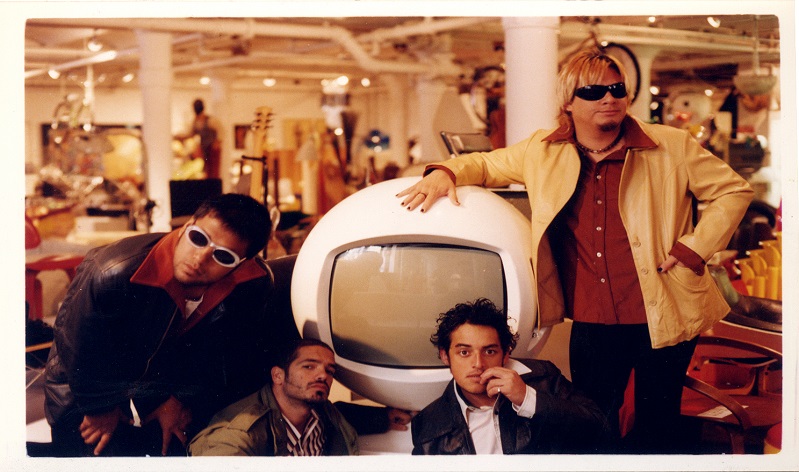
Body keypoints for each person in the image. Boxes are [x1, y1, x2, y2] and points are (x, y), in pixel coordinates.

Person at [398, 48, 754, 453]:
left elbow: (733, 190)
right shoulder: (542, 151)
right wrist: (444, 171)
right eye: (594, 91)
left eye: (617, 89)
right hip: (592, 317)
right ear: (568, 102)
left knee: (658, 423)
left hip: (666, 309)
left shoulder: (671, 145)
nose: (609, 98)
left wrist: (695, 247)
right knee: (592, 422)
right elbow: (484, 164)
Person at [43, 193, 301, 457]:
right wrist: (100, 407)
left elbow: (215, 352)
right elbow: (76, 345)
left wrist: (174, 400)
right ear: (188, 225)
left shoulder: (252, 284)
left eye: (223, 256)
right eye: (198, 238)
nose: (199, 259)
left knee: (182, 446)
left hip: (161, 379)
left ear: (242, 264)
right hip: (86, 381)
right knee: (86, 453)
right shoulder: (112, 270)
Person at [411, 298, 607, 454]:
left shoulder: (545, 377)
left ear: (506, 354)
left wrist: (527, 398)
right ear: (445, 356)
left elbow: (602, 429)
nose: (478, 364)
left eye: (489, 351)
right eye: (464, 352)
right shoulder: (428, 425)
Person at [189, 339, 413, 456]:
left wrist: (384, 417)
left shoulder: (319, 411)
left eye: (329, 370)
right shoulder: (238, 433)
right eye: (309, 366)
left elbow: (340, 415)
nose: (323, 375)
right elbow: (222, 453)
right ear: (278, 375)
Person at [176, 98, 222, 179]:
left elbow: (220, 130)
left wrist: (217, 142)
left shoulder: (210, 120)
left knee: (214, 171)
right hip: (204, 148)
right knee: (206, 169)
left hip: (212, 148)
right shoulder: (195, 121)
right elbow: (191, 133)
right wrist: (181, 137)